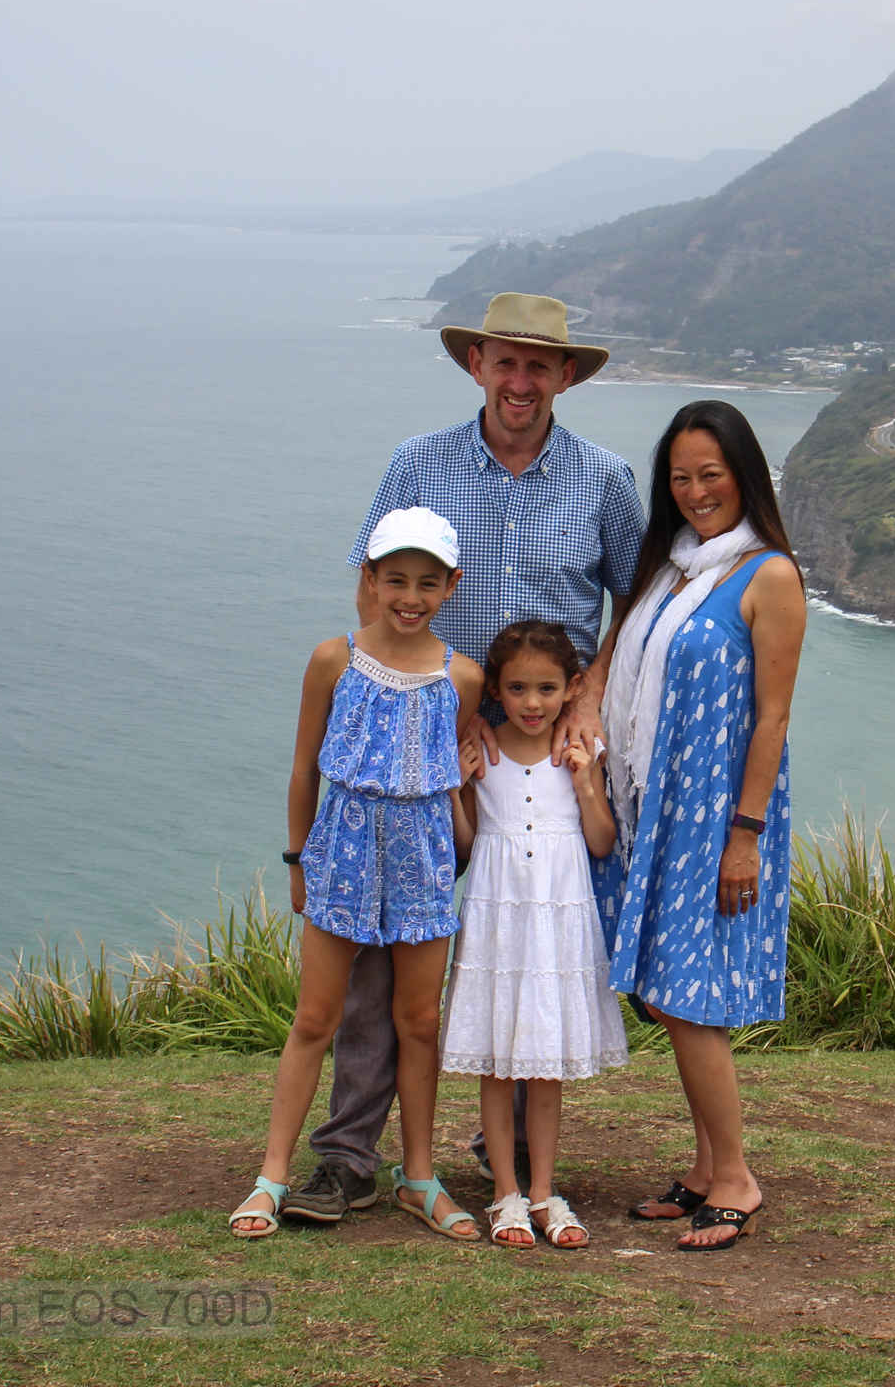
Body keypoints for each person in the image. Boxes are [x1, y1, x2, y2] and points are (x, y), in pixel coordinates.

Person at [278, 292, 645, 1228]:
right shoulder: (419, 463)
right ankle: (347, 1156)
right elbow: (376, 596)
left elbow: (636, 603)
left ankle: (509, 1145)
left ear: (566, 376)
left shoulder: (602, 480)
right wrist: (432, 713)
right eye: (504, 362)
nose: (520, 382)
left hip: (547, 750)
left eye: (539, 366)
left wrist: (588, 699)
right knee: (380, 960)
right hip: (433, 750)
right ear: (476, 365)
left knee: (531, 934)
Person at [228, 508, 485, 1241]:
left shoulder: (461, 677)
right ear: (368, 580)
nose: (410, 596)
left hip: (423, 865)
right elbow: (304, 768)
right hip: (340, 857)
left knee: (420, 1022)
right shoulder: (331, 660)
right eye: (395, 579)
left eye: (427, 583)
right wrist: (296, 857)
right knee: (316, 1018)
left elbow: (450, 781)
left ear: (450, 586)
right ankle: (271, 1177)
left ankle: (420, 1177)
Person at [595, 400, 805, 1251]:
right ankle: (706, 1164)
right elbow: (619, 660)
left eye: (710, 475)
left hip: (717, 818)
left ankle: (737, 1179)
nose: (694, 493)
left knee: (690, 1001)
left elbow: (773, 720)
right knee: (666, 994)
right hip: (655, 810)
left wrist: (744, 834)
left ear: (743, 475)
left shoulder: (769, 576)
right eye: (680, 478)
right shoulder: (672, 568)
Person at [439, 619, 627, 1247]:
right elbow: (466, 846)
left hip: (555, 922)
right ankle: (504, 1194)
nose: (531, 703)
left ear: (572, 688)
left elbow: (600, 842)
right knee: (497, 1061)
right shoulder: (482, 748)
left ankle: (545, 1191)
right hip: (497, 918)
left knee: (544, 1067)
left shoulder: (579, 750)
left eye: (547, 689)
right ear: (496, 688)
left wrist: (583, 781)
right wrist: (459, 789)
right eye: (517, 689)